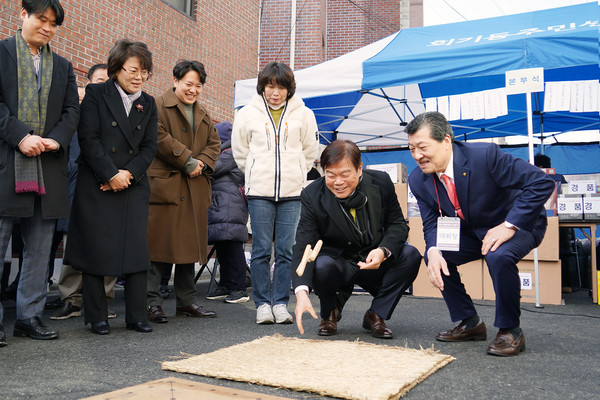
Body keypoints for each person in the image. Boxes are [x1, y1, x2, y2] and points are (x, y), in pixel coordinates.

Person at [406, 112, 555, 356]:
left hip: (519, 224)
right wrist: (432, 250)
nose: (417, 156)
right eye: (411, 149)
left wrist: (509, 225)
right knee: (437, 255)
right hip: (474, 231)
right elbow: (431, 222)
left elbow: (541, 183)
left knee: (498, 255)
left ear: (446, 141)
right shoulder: (418, 179)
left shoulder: (484, 156)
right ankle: (470, 322)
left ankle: (510, 330)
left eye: (422, 147)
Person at [64, 39, 158, 335]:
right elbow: (88, 138)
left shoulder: (149, 103)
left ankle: (136, 315)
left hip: (133, 183)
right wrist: (109, 174)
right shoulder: (96, 94)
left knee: (136, 249)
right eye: (133, 70)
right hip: (97, 181)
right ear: (117, 69)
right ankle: (97, 316)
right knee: (96, 249)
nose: (139, 77)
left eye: (144, 71)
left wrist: (127, 174)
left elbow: (149, 147)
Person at [0, 0, 79, 346]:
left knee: (39, 248)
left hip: (47, 168)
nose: (47, 27)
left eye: (53, 24)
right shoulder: (2, 53)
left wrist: (55, 140)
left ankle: (28, 317)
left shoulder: (62, 66)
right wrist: (21, 136)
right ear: (23, 15)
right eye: (41, 19)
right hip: (7, 164)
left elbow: (71, 110)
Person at [292, 140, 421, 338]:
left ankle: (376, 314)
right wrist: (301, 291)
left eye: (345, 174)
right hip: (338, 263)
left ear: (359, 169)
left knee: (410, 254)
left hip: (374, 260)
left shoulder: (381, 182)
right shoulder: (312, 194)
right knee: (322, 264)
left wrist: (383, 251)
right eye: (331, 175)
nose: (338, 182)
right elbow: (305, 242)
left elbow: (397, 224)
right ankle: (329, 313)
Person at [232, 62, 319, 325]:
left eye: (281, 86)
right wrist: (257, 172)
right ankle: (262, 304)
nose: (275, 92)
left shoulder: (304, 113)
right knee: (259, 250)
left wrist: (296, 173)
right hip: (259, 192)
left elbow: (310, 151)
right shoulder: (247, 113)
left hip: (293, 192)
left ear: (289, 89)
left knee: (286, 251)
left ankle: (281, 303)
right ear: (262, 87)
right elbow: (240, 152)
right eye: (271, 85)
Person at [146, 60, 220, 324]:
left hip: (194, 187)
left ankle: (186, 301)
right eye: (188, 84)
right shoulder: (157, 105)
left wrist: (202, 164)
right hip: (167, 185)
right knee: (157, 246)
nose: (193, 90)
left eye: (198, 85)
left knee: (188, 247)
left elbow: (214, 144)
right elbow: (156, 137)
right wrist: (188, 160)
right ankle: (151, 302)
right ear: (175, 81)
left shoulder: (203, 112)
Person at [50, 64, 119, 321]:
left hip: (108, 186)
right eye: (99, 80)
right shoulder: (73, 115)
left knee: (107, 246)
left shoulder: (115, 114)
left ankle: (101, 299)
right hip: (75, 188)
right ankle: (71, 299)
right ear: (87, 84)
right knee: (73, 247)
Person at [205, 121, 250, 304]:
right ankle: (226, 284)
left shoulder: (231, 153)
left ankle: (240, 288)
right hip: (223, 206)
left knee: (233, 248)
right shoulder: (226, 152)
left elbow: (211, 169)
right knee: (223, 247)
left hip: (230, 207)